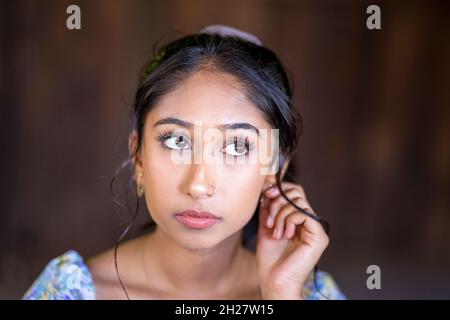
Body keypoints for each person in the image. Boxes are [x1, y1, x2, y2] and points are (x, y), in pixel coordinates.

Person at [23, 25, 346, 300]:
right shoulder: (70, 290)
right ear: (138, 155)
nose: (199, 184)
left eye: (236, 146)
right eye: (177, 140)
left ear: (274, 167)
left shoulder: (308, 293)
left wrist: (281, 294)